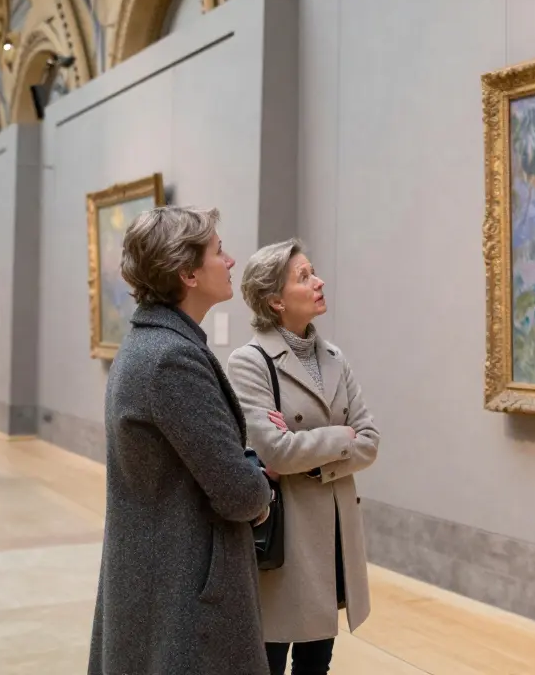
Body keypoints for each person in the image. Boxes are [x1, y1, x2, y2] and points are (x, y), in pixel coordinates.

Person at [88, 206, 273, 675]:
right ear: (187, 274)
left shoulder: (150, 344)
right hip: (183, 589)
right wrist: (261, 490)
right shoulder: (171, 359)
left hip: (159, 575)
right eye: (219, 251)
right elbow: (237, 492)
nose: (230, 261)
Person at [228, 239, 380, 675]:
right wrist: (341, 436)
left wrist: (305, 450)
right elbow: (275, 450)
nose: (319, 282)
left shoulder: (334, 359)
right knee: (269, 663)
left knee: (317, 665)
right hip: (285, 537)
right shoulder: (249, 363)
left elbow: (370, 441)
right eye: (304, 276)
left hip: (331, 534)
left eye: (314, 272)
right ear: (275, 300)